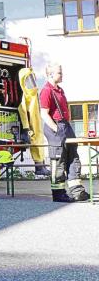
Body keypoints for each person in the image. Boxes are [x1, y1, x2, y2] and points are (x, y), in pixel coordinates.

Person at [40, 63, 89, 202]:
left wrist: (66, 128)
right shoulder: (46, 90)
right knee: (58, 161)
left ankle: (77, 191)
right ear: (50, 74)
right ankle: (59, 193)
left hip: (65, 126)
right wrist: (56, 130)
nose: (62, 75)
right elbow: (44, 114)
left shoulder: (59, 90)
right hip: (55, 126)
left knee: (73, 157)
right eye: (59, 73)